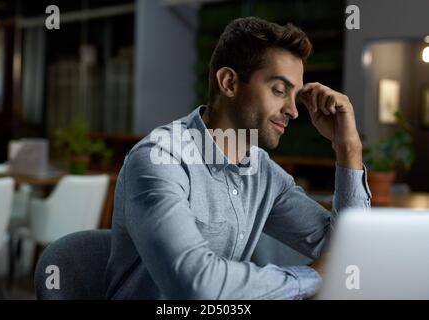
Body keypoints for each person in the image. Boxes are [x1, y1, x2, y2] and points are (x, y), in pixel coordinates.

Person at [105, 17, 371, 300]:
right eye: (279, 91)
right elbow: (195, 284)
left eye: (296, 96)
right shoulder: (160, 160)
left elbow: (346, 249)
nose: (293, 111)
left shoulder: (263, 175)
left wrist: (348, 148)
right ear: (229, 82)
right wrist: (312, 276)